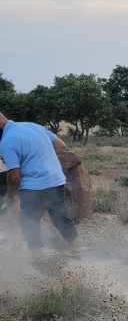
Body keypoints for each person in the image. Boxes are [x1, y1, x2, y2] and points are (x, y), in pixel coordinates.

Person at [0, 110, 79, 258]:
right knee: (60, 216)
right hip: (55, 180)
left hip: (34, 185)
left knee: (29, 219)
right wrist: (43, 161)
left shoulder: (7, 141)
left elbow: (14, 177)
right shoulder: (32, 126)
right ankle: (74, 251)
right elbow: (61, 145)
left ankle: (37, 257)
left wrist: (10, 196)